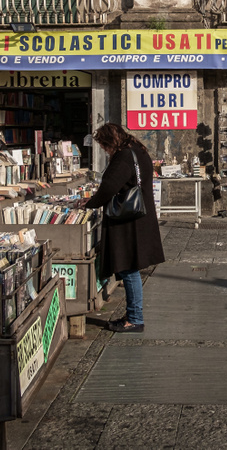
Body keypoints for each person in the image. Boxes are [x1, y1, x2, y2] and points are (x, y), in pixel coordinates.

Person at [84, 123, 165, 333]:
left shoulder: (124, 156)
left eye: (104, 145)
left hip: (128, 221)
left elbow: (110, 186)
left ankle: (135, 319)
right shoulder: (137, 150)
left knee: (128, 269)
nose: (104, 149)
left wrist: (90, 203)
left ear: (110, 142)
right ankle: (132, 314)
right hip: (138, 218)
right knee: (130, 268)